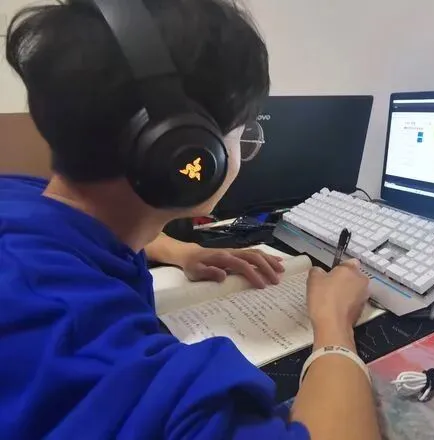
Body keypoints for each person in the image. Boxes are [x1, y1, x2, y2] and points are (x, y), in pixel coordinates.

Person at [0, 0, 380, 439]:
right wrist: (333, 322)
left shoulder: (19, 199)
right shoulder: (94, 352)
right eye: (243, 134)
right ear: (186, 154)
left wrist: (181, 251)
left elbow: (94, 226)